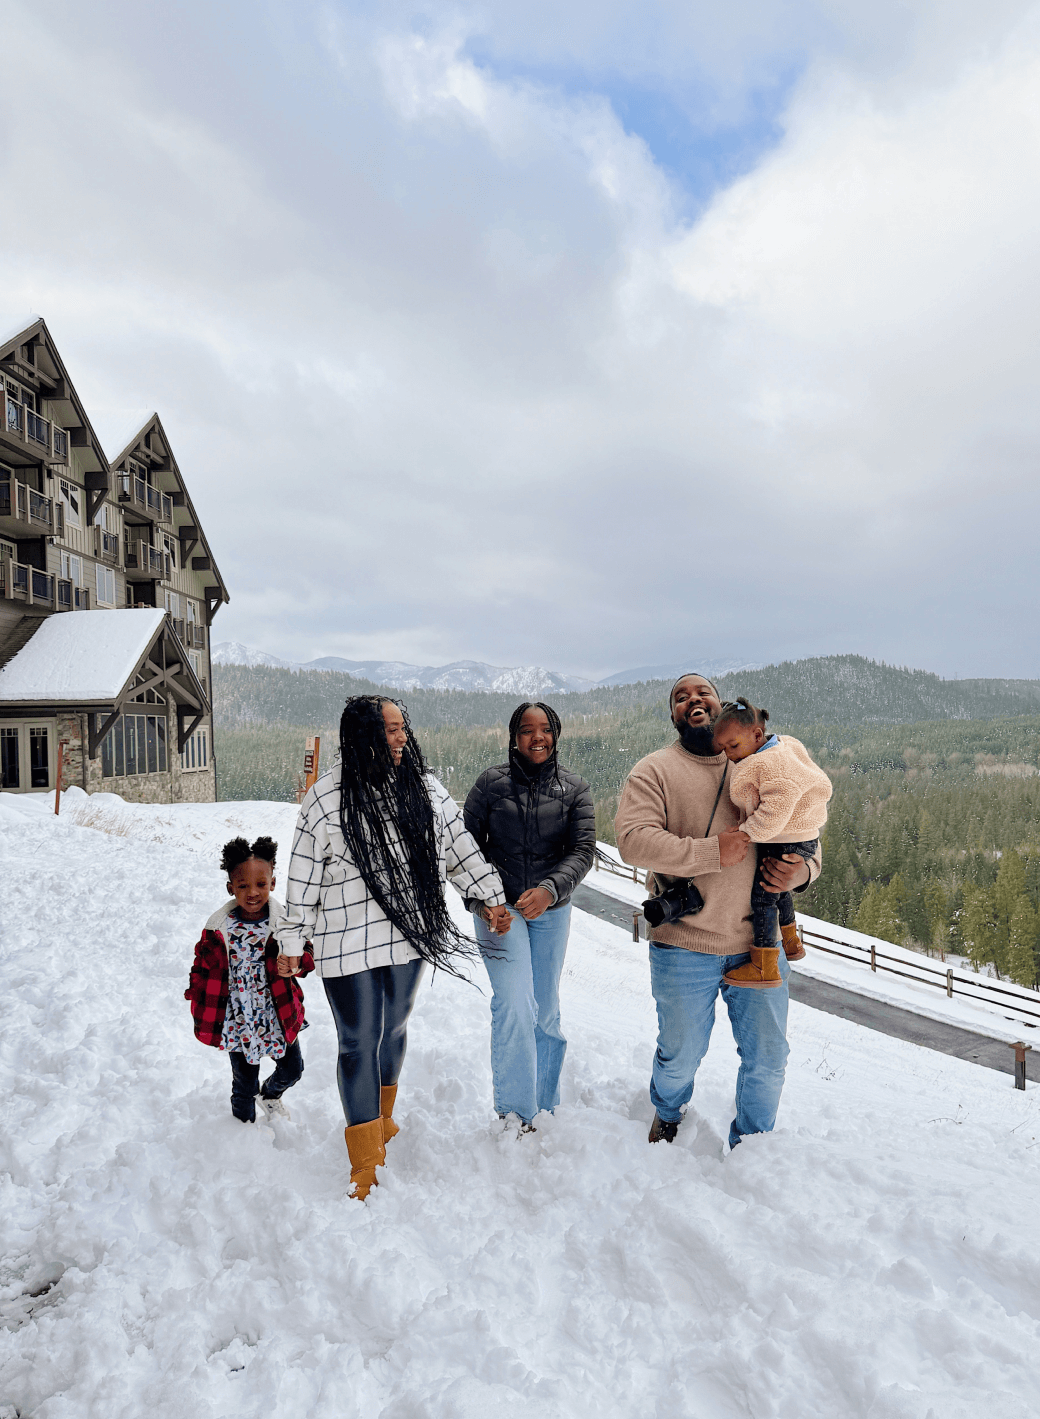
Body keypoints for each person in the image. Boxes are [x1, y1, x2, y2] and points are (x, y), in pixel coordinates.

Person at [278, 695, 511, 1200]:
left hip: (410, 931)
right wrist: (293, 941)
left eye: (402, 728)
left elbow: (458, 847)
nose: (401, 737)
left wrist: (491, 897)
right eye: (389, 730)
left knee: (394, 1026)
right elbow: (301, 879)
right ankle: (364, 1162)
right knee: (358, 1039)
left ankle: (380, 1122)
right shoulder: (326, 799)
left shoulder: (424, 790)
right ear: (362, 736)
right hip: (346, 936)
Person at [614, 672, 822, 1149]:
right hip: (686, 943)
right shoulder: (655, 769)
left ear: (721, 703)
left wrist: (803, 873)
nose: (694, 700)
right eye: (681, 697)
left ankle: (753, 1146)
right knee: (680, 1055)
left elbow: (806, 821)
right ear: (673, 715)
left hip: (759, 945)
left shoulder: (767, 760)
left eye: (702, 692)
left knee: (768, 1058)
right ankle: (667, 1113)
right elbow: (632, 840)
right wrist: (712, 851)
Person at [464, 702, 596, 1129]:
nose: (536, 737)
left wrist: (549, 889)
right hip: (499, 913)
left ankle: (545, 1104)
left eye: (544, 729)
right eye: (526, 729)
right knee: (515, 1004)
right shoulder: (490, 785)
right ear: (513, 737)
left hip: (550, 911)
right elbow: (465, 851)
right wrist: (485, 903)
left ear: (555, 734)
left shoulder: (574, 788)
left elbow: (582, 851)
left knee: (546, 1009)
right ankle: (516, 1111)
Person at [186, 836, 313, 1124]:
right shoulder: (218, 928)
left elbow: (307, 956)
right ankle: (243, 1130)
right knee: (244, 1084)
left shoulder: (283, 924)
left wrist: (294, 965)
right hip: (238, 1018)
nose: (252, 892)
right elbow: (202, 965)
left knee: (293, 1069)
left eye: (261, 884)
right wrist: (197, 996)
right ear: (231, 888)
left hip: (276, 1014)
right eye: (243, 886)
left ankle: (270, 1095)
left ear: (273, 883)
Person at [711, 697, 833, 989]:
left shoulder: (770, 763)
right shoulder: (778, 748)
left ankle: (765, 964)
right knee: (779, 890)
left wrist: (746, 833)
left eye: (733, 746)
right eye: (724, 748)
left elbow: (777, 806)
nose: (729, 755)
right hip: (798, 836)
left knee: (764, 897)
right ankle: (791, 941)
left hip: (787, 838)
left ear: (756, 735)